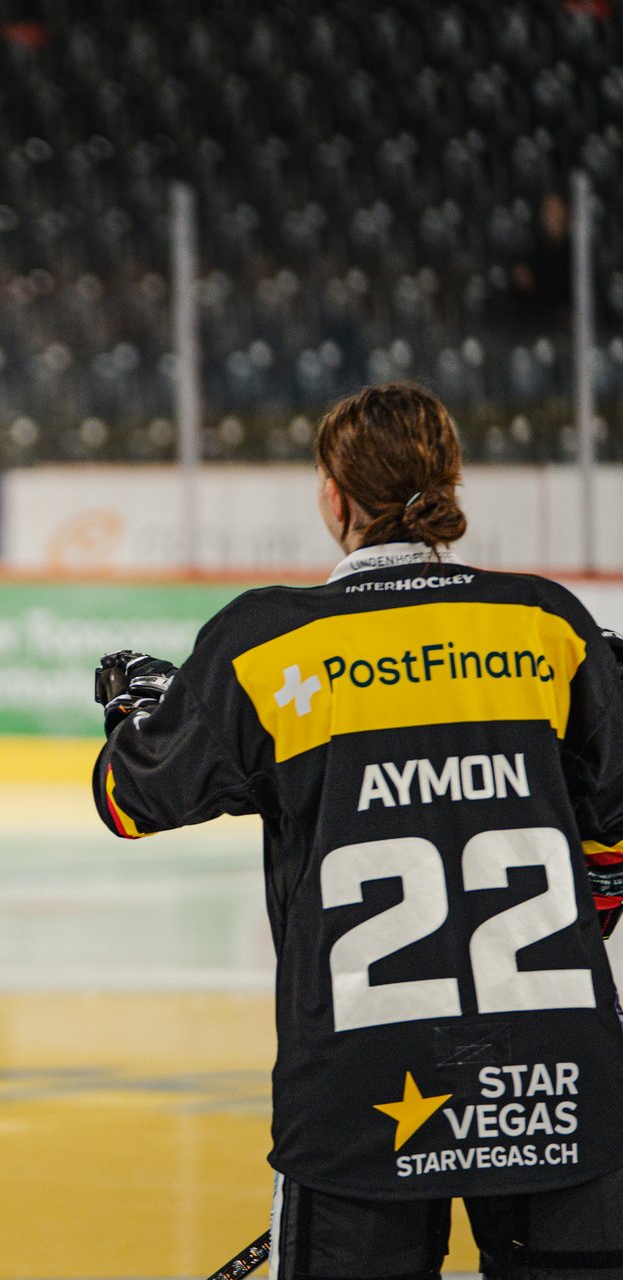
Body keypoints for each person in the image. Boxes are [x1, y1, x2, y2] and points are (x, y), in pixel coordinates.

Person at [91, 382, 623, 1280]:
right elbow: (611, 836)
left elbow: (128, 800)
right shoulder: (546, 622)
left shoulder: (265, 643)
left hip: (360, 1095)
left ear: (334, 496)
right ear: (449, 481)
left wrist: (133, 711)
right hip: (561, 1080)